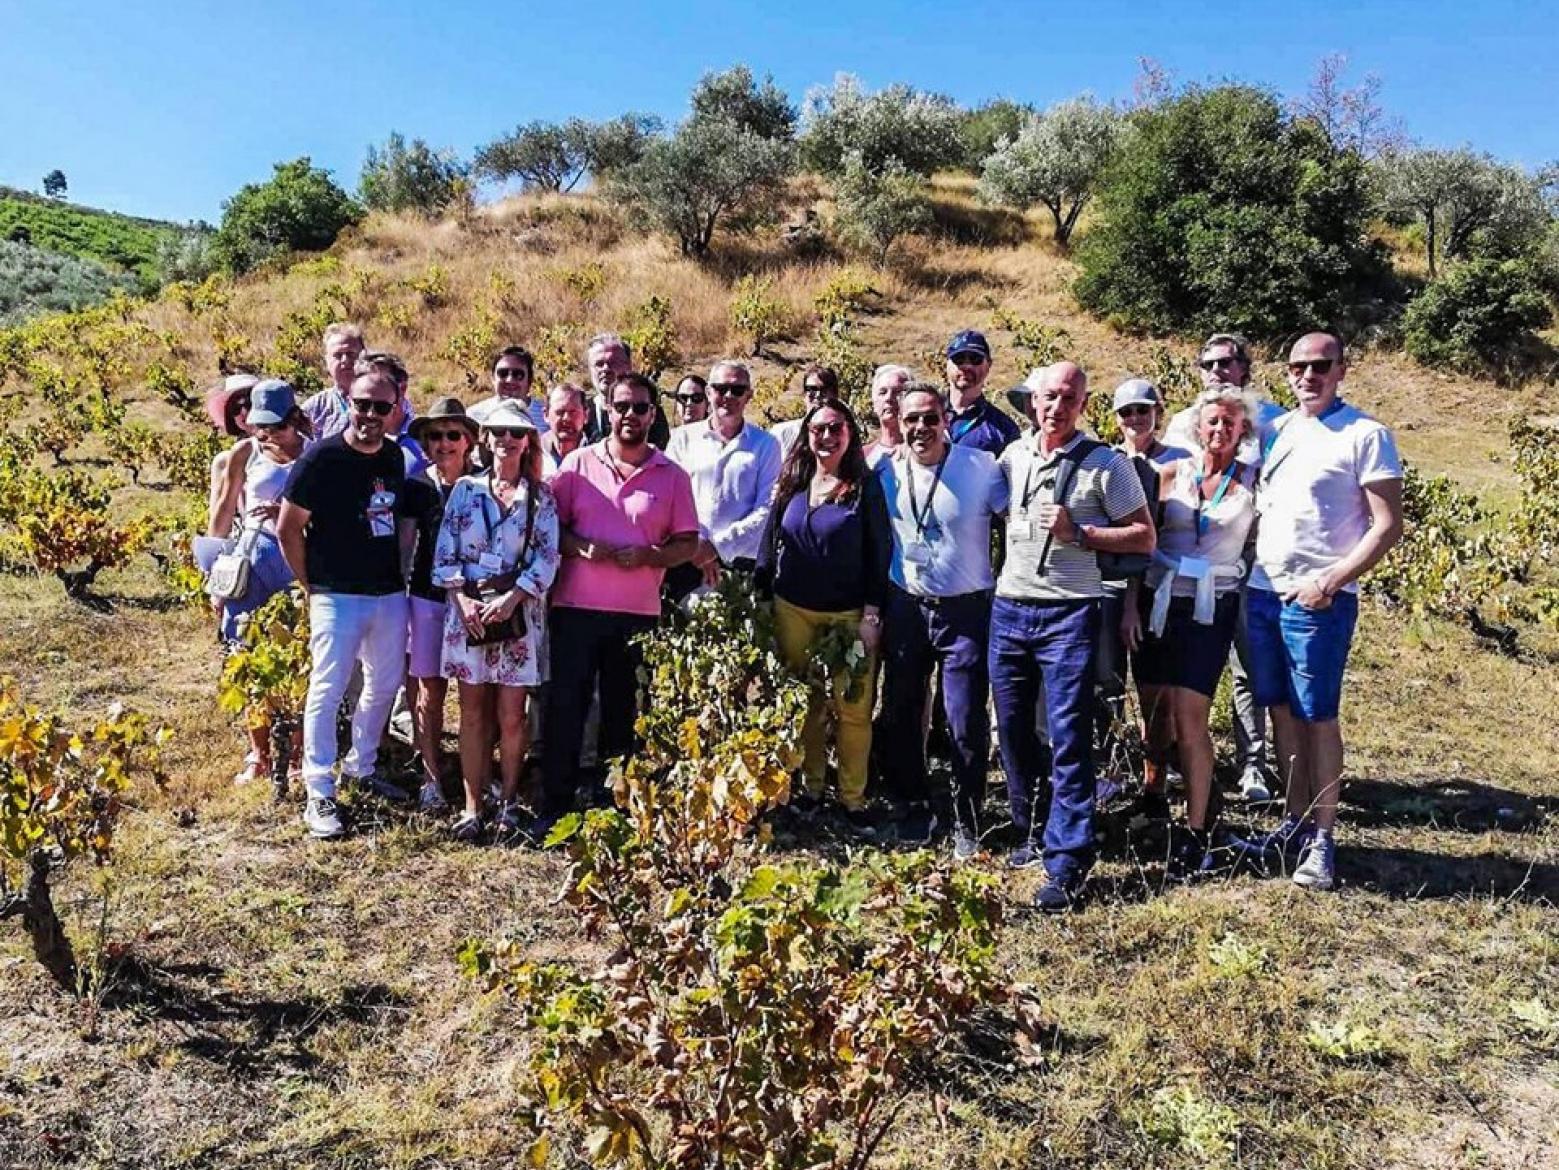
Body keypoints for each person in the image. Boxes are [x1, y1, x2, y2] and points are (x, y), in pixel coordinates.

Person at [1240, 332, 1403, 891]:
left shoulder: (1365, 434)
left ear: (1341, 370)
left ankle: (1323, 838)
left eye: (1320, 366)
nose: (1308, 375)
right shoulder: (1278, 430)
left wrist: (1332, 579)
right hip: (1263, 591)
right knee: (1281, 713)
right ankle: (1293, 822)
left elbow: (1387, 526)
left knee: (1318, 717)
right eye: (1298, 367)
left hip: (1319, 601)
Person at [990, 362, 1155, 911]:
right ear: (1033, 401)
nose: (1056, 407)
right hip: (1010, 608)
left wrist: (1079, 532)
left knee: (1068, 735)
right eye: (1047, 397)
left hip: (1069, 613)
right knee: (1013, 730)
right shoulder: (1013, 457)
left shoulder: (1107, 465)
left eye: (1068, 397)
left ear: (1083, 403)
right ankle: (1031, 829)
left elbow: (1144, 538)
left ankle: (1067, 862)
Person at [543, 373, 699, 825]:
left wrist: (654, 555)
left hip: (637, 613)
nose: (630, 415)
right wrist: (578, 546)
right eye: (622, 407)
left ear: (654, 414)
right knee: (566, 707)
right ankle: (555, 804)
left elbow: (687, 542)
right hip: (575, 608)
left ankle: (617, 807)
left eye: (641, 408)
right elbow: (551, 530)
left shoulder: (672, 476)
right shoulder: (577, 465)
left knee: (623, 713)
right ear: (606, 411)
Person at [1122, 387, 1257, 879]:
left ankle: (1197, 828)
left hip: (1210, 605)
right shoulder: (1172, 474)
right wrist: (1130, 605)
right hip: (1161, 599)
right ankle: (1155, 797)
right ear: (1197, 427)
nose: (1219, 430)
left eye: (1229, 423)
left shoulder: (1254, 483)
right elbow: (1142, 535)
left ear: (1243, 430)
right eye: (1211, 422)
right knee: (1155, 709)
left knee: (1190, 715)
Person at [277, 369, 417, 840]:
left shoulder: (395, 457)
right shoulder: (322, 458)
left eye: (381, 406)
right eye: (362, 404)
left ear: (396, 408)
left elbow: (395, 521)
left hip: (386, 592)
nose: (370, 415)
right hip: (336, 593)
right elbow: (287, 528)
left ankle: (362, 766)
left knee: (385, 684)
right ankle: (319, 787)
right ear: (348, 404)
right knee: (328, 686)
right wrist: (310, 585)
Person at [874, 382, 1008, 856]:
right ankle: (912, 807)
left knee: (964, 718)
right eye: (911, 419)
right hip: (907, 605)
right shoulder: (885, 469)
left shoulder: (982, 468)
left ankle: (966, 819)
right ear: (899, 422)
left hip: (965, 609)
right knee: (903, 711)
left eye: (930, 418)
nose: (921, 428)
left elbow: (1019, 519)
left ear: (945, 421)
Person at [755, 397, 890, 833]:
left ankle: (852, 798)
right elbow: (770, 539)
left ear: (850, 434)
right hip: (792, 609)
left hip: (848, 617)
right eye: (819, 429)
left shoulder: (864, 489)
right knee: (808, 704)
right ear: (807, 435)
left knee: (853, 708)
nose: (827, 437)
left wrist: (872, 614)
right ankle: (812, 789)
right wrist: (761, 596)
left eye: (836, 428)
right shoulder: (794, 480)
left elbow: (879, 552)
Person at [433, 401, 560, 840]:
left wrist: (513, 598)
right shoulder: (465, 491)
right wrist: (463, 602)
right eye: (498, 432)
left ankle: (508, 803)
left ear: (528, 442)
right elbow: (444, 553)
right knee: (471, 714)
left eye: (515, 433)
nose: (506, 440)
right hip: (470, 616)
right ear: (484, 439)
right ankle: (471, 807)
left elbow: (548, 556)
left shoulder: (541, 498)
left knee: (511, 716)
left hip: (518, 618)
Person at [1166, 332, 1285, 802]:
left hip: (1251, 556)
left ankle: (1252, 763)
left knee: (1248, 662)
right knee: (1184, 667)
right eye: (1207, 363)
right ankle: (1180, 758)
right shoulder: (1180, 423)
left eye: (1226, 362)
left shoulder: (1273, 421)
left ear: (1245, 367)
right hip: (1189, 562)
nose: (1216, 370)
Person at [205, 378, 310, 783]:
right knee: (244, 655)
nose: (272, 435)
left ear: (294, 419)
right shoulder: (244, 455)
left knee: (301, 658)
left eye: (279, 427)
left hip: (299, 565)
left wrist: (289, 511)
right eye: (263, 427)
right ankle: (258, 752)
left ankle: (298, 754)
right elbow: (221, 518)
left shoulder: (316, 455)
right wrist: (213, 576)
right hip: (251, 561)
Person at [1097, 379, 1189, 813]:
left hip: (1160, 590)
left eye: (1143, 410)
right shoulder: (1107, 461)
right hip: (1109, 589)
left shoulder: (1181, 463)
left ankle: (1157, 781)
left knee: (1158, 689)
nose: (1135, 419)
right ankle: (1111, 773)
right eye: (1126, 412)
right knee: (1106, 684)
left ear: (1158, 412)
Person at [403, 397, 478, 813]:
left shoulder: (484, 484)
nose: (444, 443)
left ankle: (475, 779)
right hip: (428, 599)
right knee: (430, 690)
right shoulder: (416, 487)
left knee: (474, 696)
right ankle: (430, 776)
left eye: (453, 435)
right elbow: (405, 546)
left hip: (473, 601)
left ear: (467, 441)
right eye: (435, 436)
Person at [665, 360, 783, 595]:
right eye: (720, 389)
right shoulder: (682, 439)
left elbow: (767, 509)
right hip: (685, 562)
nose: (728, 396)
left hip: (740, 564)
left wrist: (716, 547)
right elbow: (669, 499)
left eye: (737, 390)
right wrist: (697, 545)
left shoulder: (766, 445)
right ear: (709, 392)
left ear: (749, 396)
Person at [581, 333, 670, 447]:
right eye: (599, 364)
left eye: (613, 363)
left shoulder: (644, 410)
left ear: (629, 366)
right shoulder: (581, 412)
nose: (606, 369)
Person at [943, 330, 1020, 457]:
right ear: (947, 363)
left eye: (975, 359)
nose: (967, 366)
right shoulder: (923, 414)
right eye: (959, 359)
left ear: (989, 364)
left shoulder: (1004, 428)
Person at [204, 373, 260, 532]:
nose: (243, 412)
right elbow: (217, 513)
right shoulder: (225, 462)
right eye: (235, 408)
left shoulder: (288, 445)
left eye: (249, 403)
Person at [300, 323, 366, 440]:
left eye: (351, 354)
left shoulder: (385, 402)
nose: (345, 360)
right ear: (327, 361)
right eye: (338, 355)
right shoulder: (314, 409)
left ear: (364, 356)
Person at [467, 346, 549, 433]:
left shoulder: (546, 416)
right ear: (493, 379)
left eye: (518, 375)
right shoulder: (474, 416)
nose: (509, 380)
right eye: (503, 373)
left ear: (530, 380)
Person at [768, 366, 839, 458]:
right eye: (811, 389)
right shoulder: (781, 433)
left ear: (835, 394)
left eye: (824, 389)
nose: (818, 395)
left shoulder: (843, 436)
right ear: (804, 394)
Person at [864, 364, 912, 467]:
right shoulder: (863, 456)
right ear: (874, 403)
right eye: (882, 392)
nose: (889, 398)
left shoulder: (924, 452)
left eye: (897, 392)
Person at [540, 383, 588, 478]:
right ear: (546, 415)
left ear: (586, 415)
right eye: (560, 412)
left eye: (573, 412)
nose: (566, 418)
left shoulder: (599, 457)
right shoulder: (532, 456)